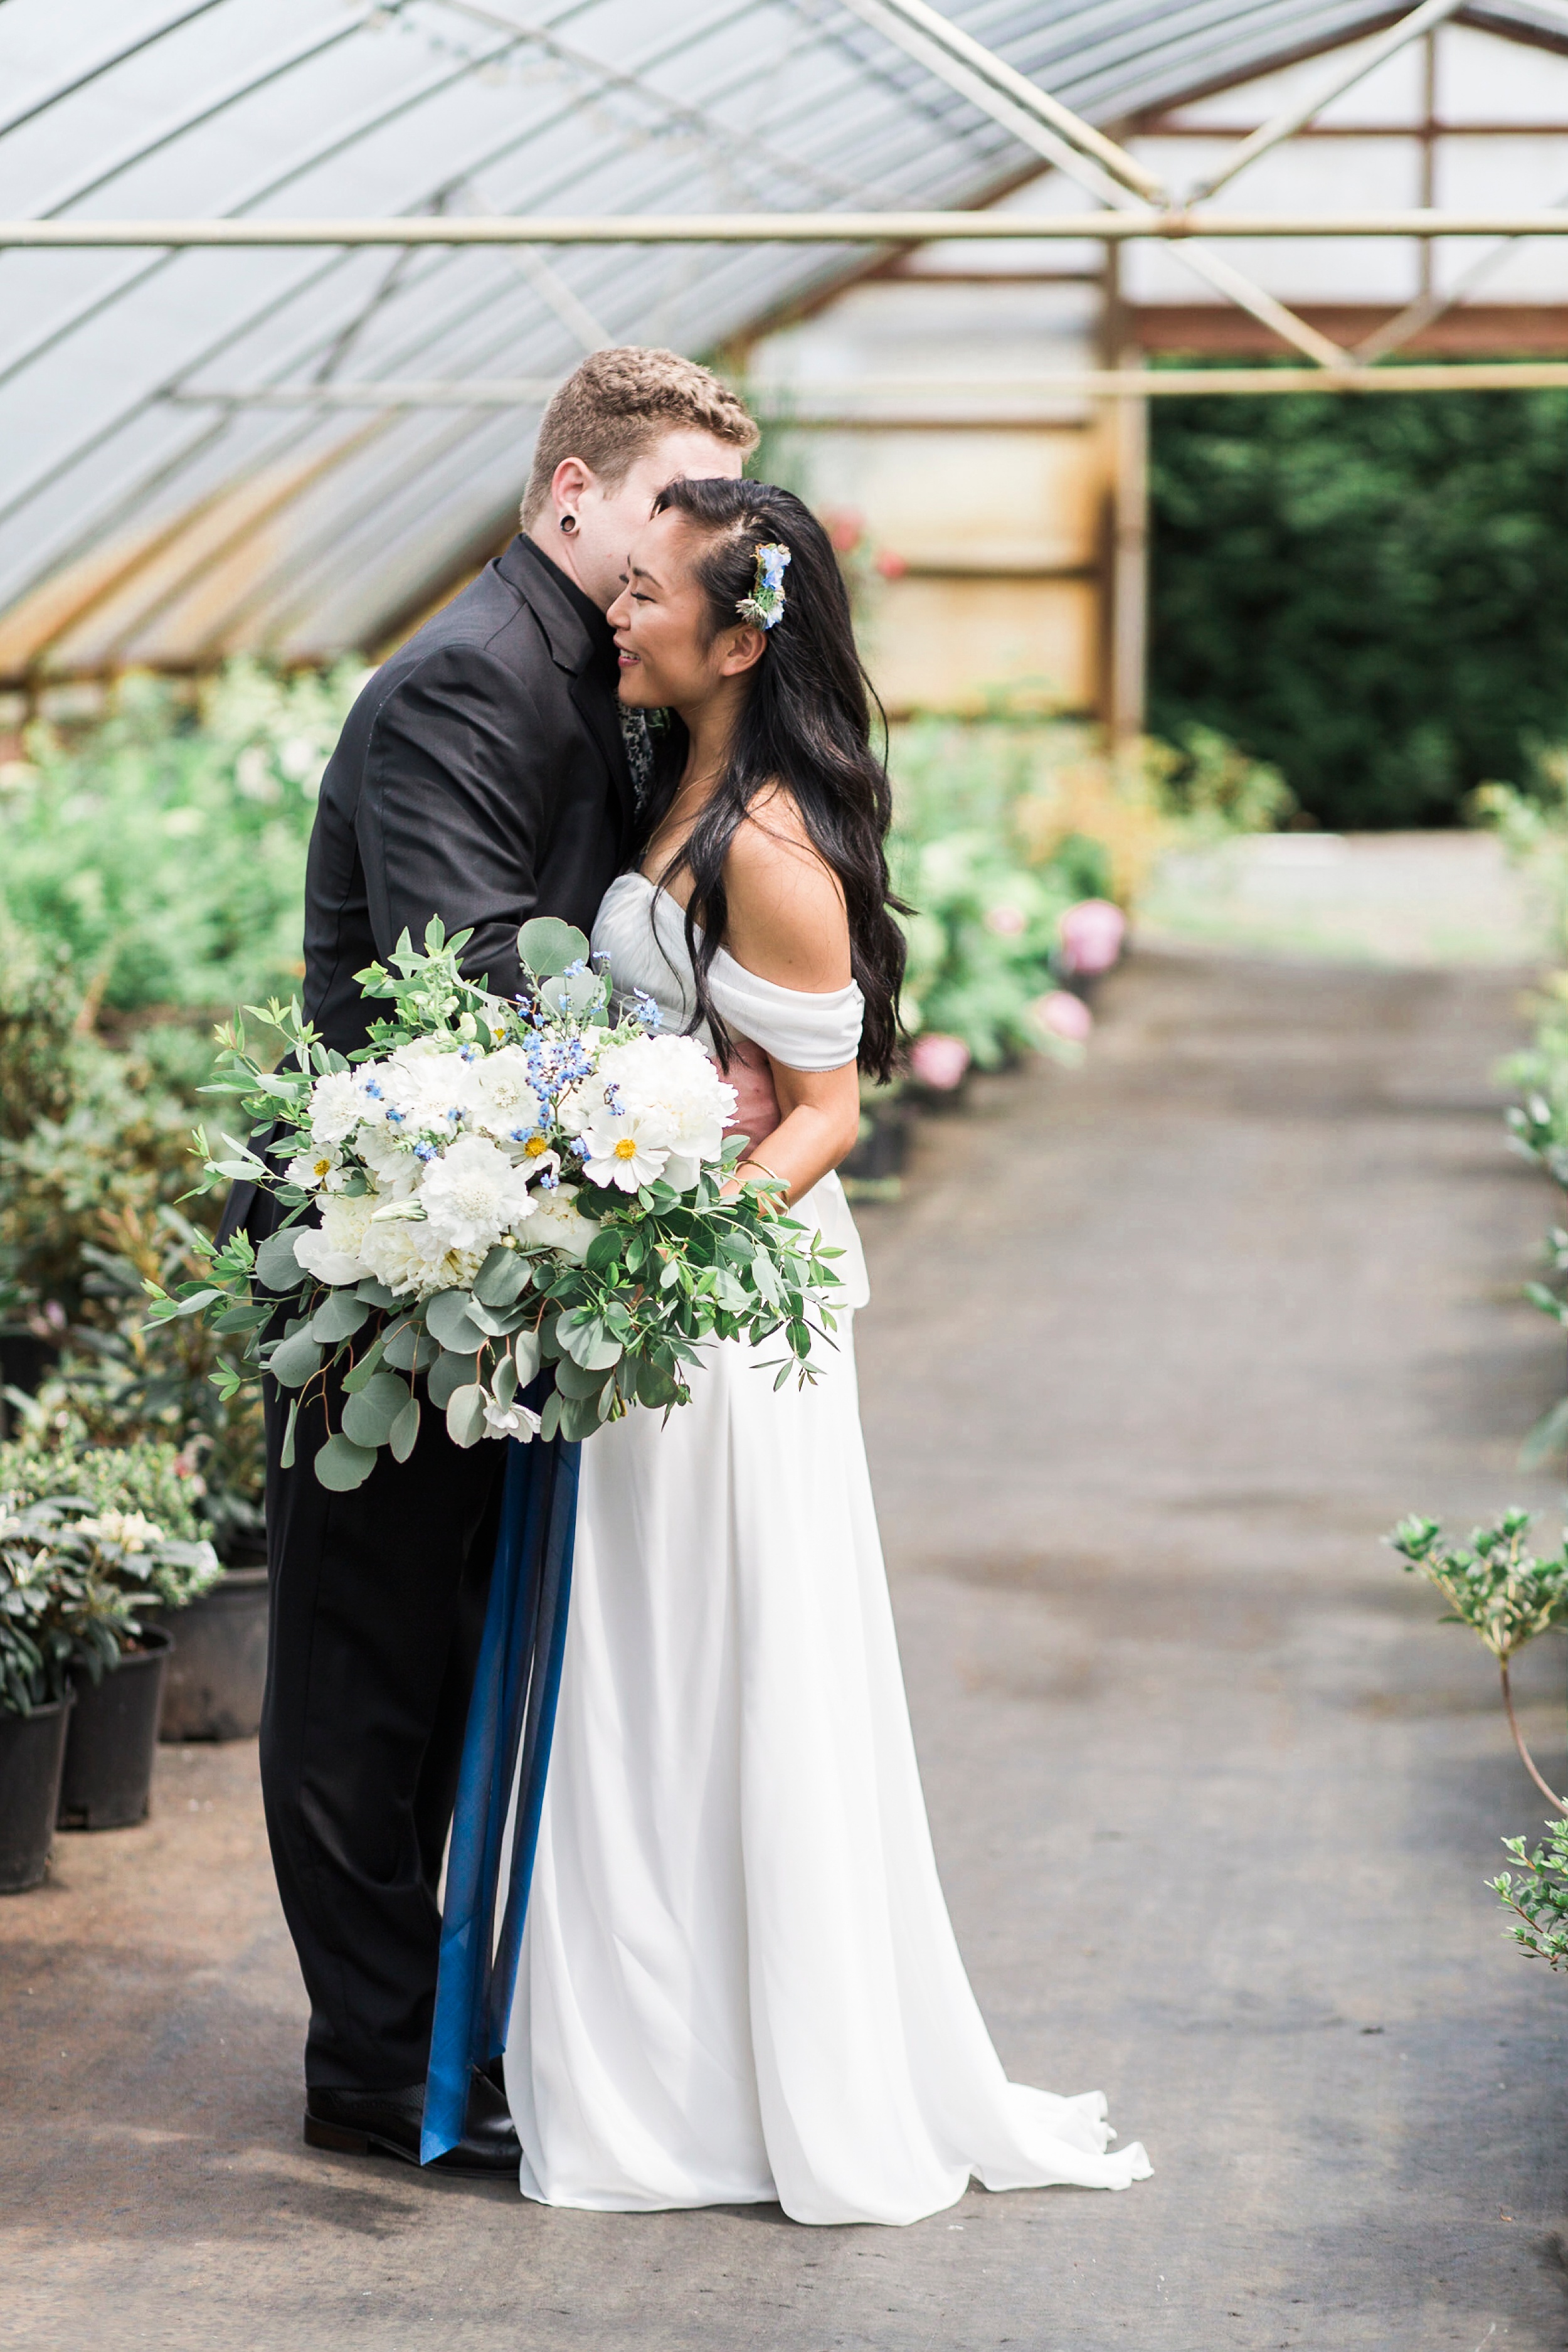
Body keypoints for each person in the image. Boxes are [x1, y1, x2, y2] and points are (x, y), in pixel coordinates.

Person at [502, 477, 1152, 2224]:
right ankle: (662, 2063)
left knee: (722, 1671)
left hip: (720, 1326)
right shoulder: (678, 782)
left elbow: (824, 1114)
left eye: (641, 596)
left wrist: (668, 1248)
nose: (611, 615)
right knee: (647, 1684)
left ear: (735, 639)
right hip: (661, 1297)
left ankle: (739, 2086)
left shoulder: (769, 846)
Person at [240, 351, 758, 2177]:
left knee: (471, 1655)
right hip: (388, 1261)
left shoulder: (604, 671)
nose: (696, 544)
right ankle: (376, 2076)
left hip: (516, 1248)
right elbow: (463, 973)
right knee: (366, 1672)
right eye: (673, 503)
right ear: (570, 492)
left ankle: (453, 2032)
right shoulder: (466, 678)